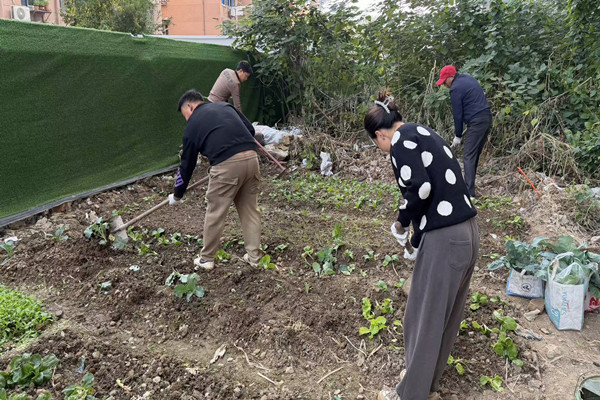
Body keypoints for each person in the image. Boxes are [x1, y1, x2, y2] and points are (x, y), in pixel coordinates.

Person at [364, 90, 479, 400]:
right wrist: (415, 240)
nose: (381, 149)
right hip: (467, 234)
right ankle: (428, 384)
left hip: (446, 239)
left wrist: (400, 223)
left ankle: (410, 394)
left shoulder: (400, 143)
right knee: (443, 319)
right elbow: (436, 190)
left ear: (380, 135)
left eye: (377, 144)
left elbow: (421, 188)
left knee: (422, 319)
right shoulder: (422, 132)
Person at [168, 89, 262, 270]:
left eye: (185, 115)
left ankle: (206, 259)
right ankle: (255, 258)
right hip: (252, 160)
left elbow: (187, 164)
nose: (187, 119)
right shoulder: (225, 107)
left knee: (216, 212)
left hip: (226, 167)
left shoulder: (193, 123)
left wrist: (177, 193)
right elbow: (250, 130)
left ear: (190, 106)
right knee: (250, 210)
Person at [436, 65, 492, 199]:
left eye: (444, 81)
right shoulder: (468, 78)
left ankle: (469, 193)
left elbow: (458, 115)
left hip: (476, 122)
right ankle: (470, 186)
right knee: (474, 154)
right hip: (487, 118)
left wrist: (458, 135)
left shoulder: (455, 88)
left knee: (468, 155)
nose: (444, 84)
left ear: (451, 77)